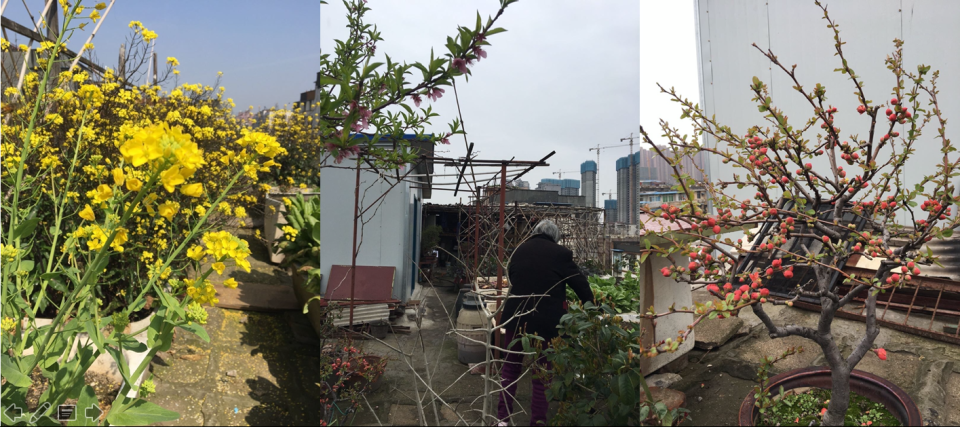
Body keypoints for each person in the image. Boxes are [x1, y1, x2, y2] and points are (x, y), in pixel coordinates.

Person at [496, 220, 594, 426]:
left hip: (516, 318)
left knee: (510, 368)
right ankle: (537, 422)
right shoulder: (561, 254)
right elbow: (580, 284)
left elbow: (514, 278)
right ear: (554, 237)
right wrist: (592, 307)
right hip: (546, 323)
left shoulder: (519, 251)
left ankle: (502, 420)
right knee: (542, 375)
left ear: (535, 233)